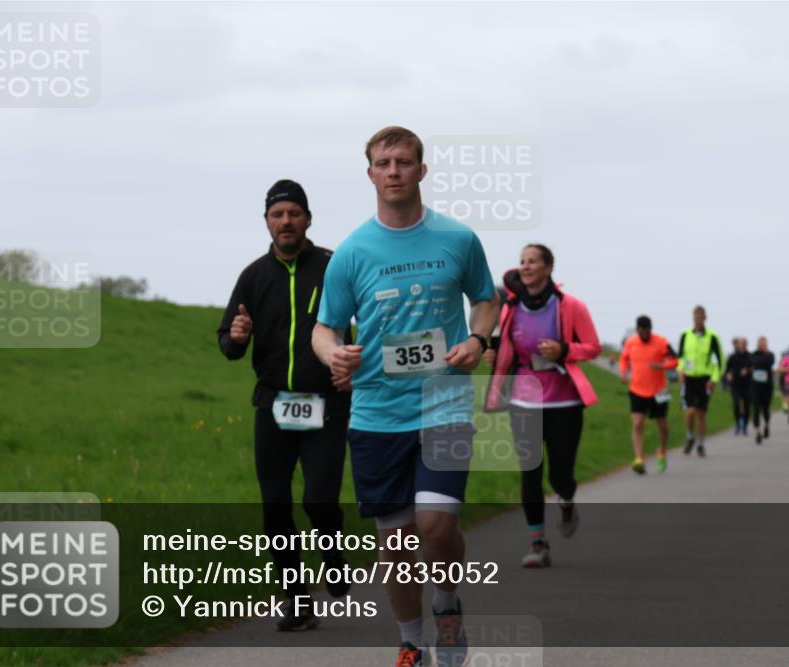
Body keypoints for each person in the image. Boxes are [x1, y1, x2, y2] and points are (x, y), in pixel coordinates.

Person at [312, 126, 499, 667]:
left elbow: (485, 301)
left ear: (422, 170)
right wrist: (333, 355)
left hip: (444, 405)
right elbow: (324, 330)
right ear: (370, 173)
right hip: (375, 414)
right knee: (395, 549)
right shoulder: (351, 252)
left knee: (437, 528)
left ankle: (447, 604)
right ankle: (412, 641)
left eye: (404, 161)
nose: (393, 171)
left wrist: (476, 339)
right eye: (383, 162)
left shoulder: (458, 239)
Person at [217, 179, 351, 631]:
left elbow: (366, 319)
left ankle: (333, 554)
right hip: (274, 406)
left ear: (308, 219)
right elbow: (228, 341)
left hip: (328, 403)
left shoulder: (334, 266)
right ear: (267, 223)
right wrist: (235, 337)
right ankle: (295, 597)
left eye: (294, 213)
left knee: (319, 501)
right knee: (275, 505)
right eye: (278, 214)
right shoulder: (253, 276)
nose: (286, 221)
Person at [483, 246, 601, 568]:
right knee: (530, 472)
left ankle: (566, 501)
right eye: (522, 261)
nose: (525, 266)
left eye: (532, 261)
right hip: (524, 398)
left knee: (561, 473)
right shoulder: (511, 307)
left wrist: (563, 349)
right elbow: (506, 348)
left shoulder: (570, 306)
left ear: (549, 268)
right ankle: (538, 544)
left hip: (564, 399)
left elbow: (592, 347)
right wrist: (494, 363)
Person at [618, 315, 678, 474]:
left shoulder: (662, 342)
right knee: (637, 423)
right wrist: (623, 372)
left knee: (663, 425)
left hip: (659, 390)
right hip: (637, 389)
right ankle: (638, 458)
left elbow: (675, 361)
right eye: (641, 331)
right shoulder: (631, 342)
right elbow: (623, 359)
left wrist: (662, 365)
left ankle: (662, 451)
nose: (644, 334)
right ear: (637, 330)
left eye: (647, 331)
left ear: (650, 330)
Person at [677, 305, 725, 457]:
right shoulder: (685, 335)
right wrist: (680, 370)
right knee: (690, 411)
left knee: (701, 414)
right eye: (695, 317)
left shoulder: (712, 337)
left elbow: (721, 361)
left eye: (700, 317)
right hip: (689, 378)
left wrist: (714, 379)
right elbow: (681, 358)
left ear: (705, 318)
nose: (697, 320)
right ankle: (690, 436)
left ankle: (701, 444)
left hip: (705, 379)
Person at [748, 337, 775, 444]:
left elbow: (770, 363)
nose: (762, 345)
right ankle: (757, 432)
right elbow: (752, 363)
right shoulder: (753, 354)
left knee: (765, 408)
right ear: (757, 344)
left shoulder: (770, 354)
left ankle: (767, 425)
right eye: (760, 344)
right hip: (755, 386)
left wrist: (765, 354)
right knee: (755, 409)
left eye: (764, 344)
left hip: (767, 386)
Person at [725, 336, 752, 436]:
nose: (742, 345)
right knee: (736, 404)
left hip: (747, 384)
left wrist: (748, 370)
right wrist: (728, 375)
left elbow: (753, 367)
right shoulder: (733, 356)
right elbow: (727, 369)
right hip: (735, 384)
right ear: (738, 344)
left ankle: (744, 426)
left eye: (744, 343)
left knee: (746, 405)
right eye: (741, 343)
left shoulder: (750, 356)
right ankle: (737, 424)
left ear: (746, 344)